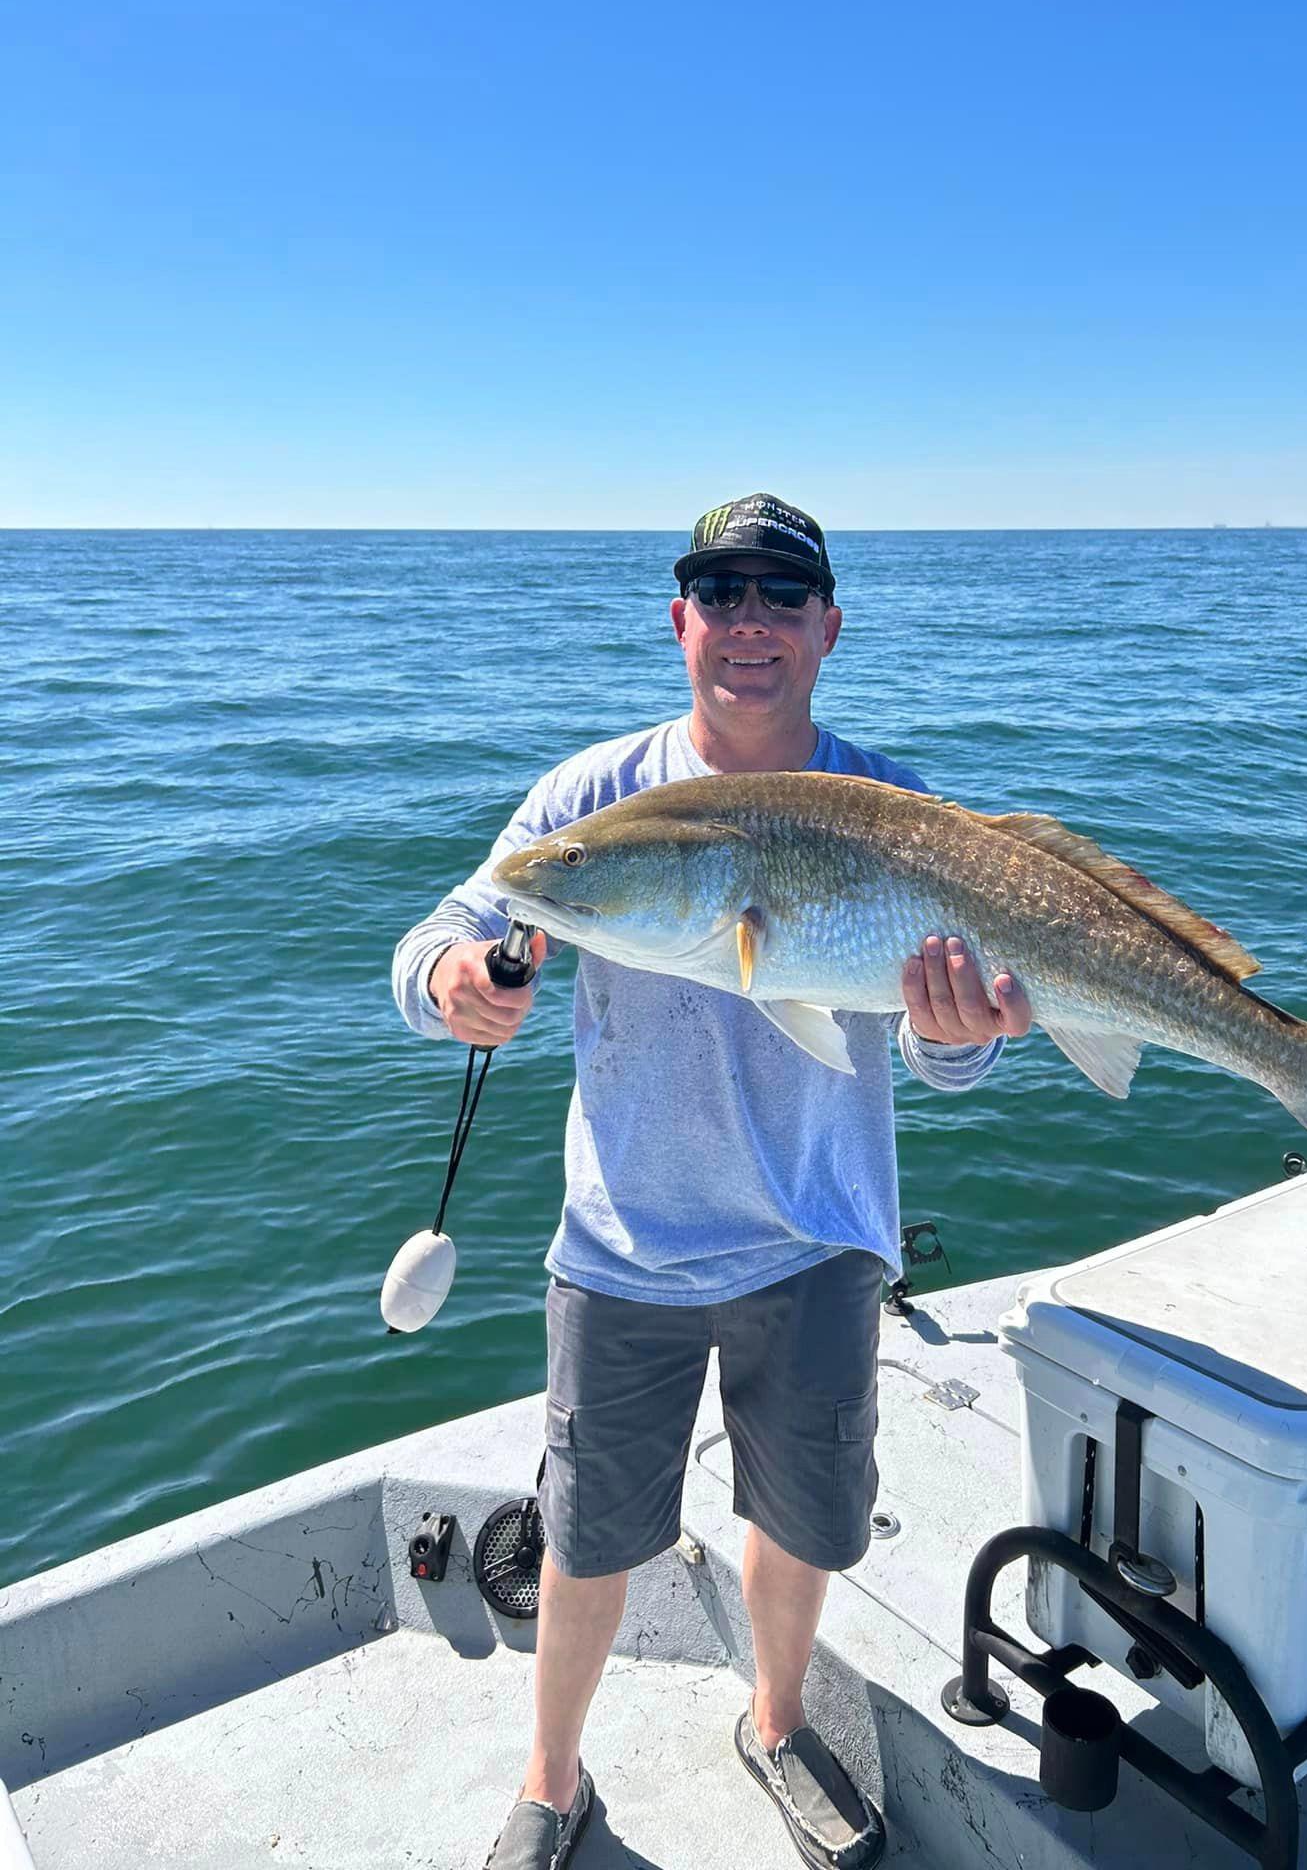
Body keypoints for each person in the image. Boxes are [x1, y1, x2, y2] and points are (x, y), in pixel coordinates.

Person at [392, 494, 1031, 1870]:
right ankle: (553, 1779)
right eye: (719, 594)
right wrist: (451, 982)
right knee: (586, 1538)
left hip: (820, 1241)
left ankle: (780, 1724)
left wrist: (953, 1034)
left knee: (797, 1525)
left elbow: (949, 1065)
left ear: (827, 630)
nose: (749, 624)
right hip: (624, 1246)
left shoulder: (899, 812)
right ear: (681, 622)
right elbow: (456, 924)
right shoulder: (591, 806)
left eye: (779, 598)